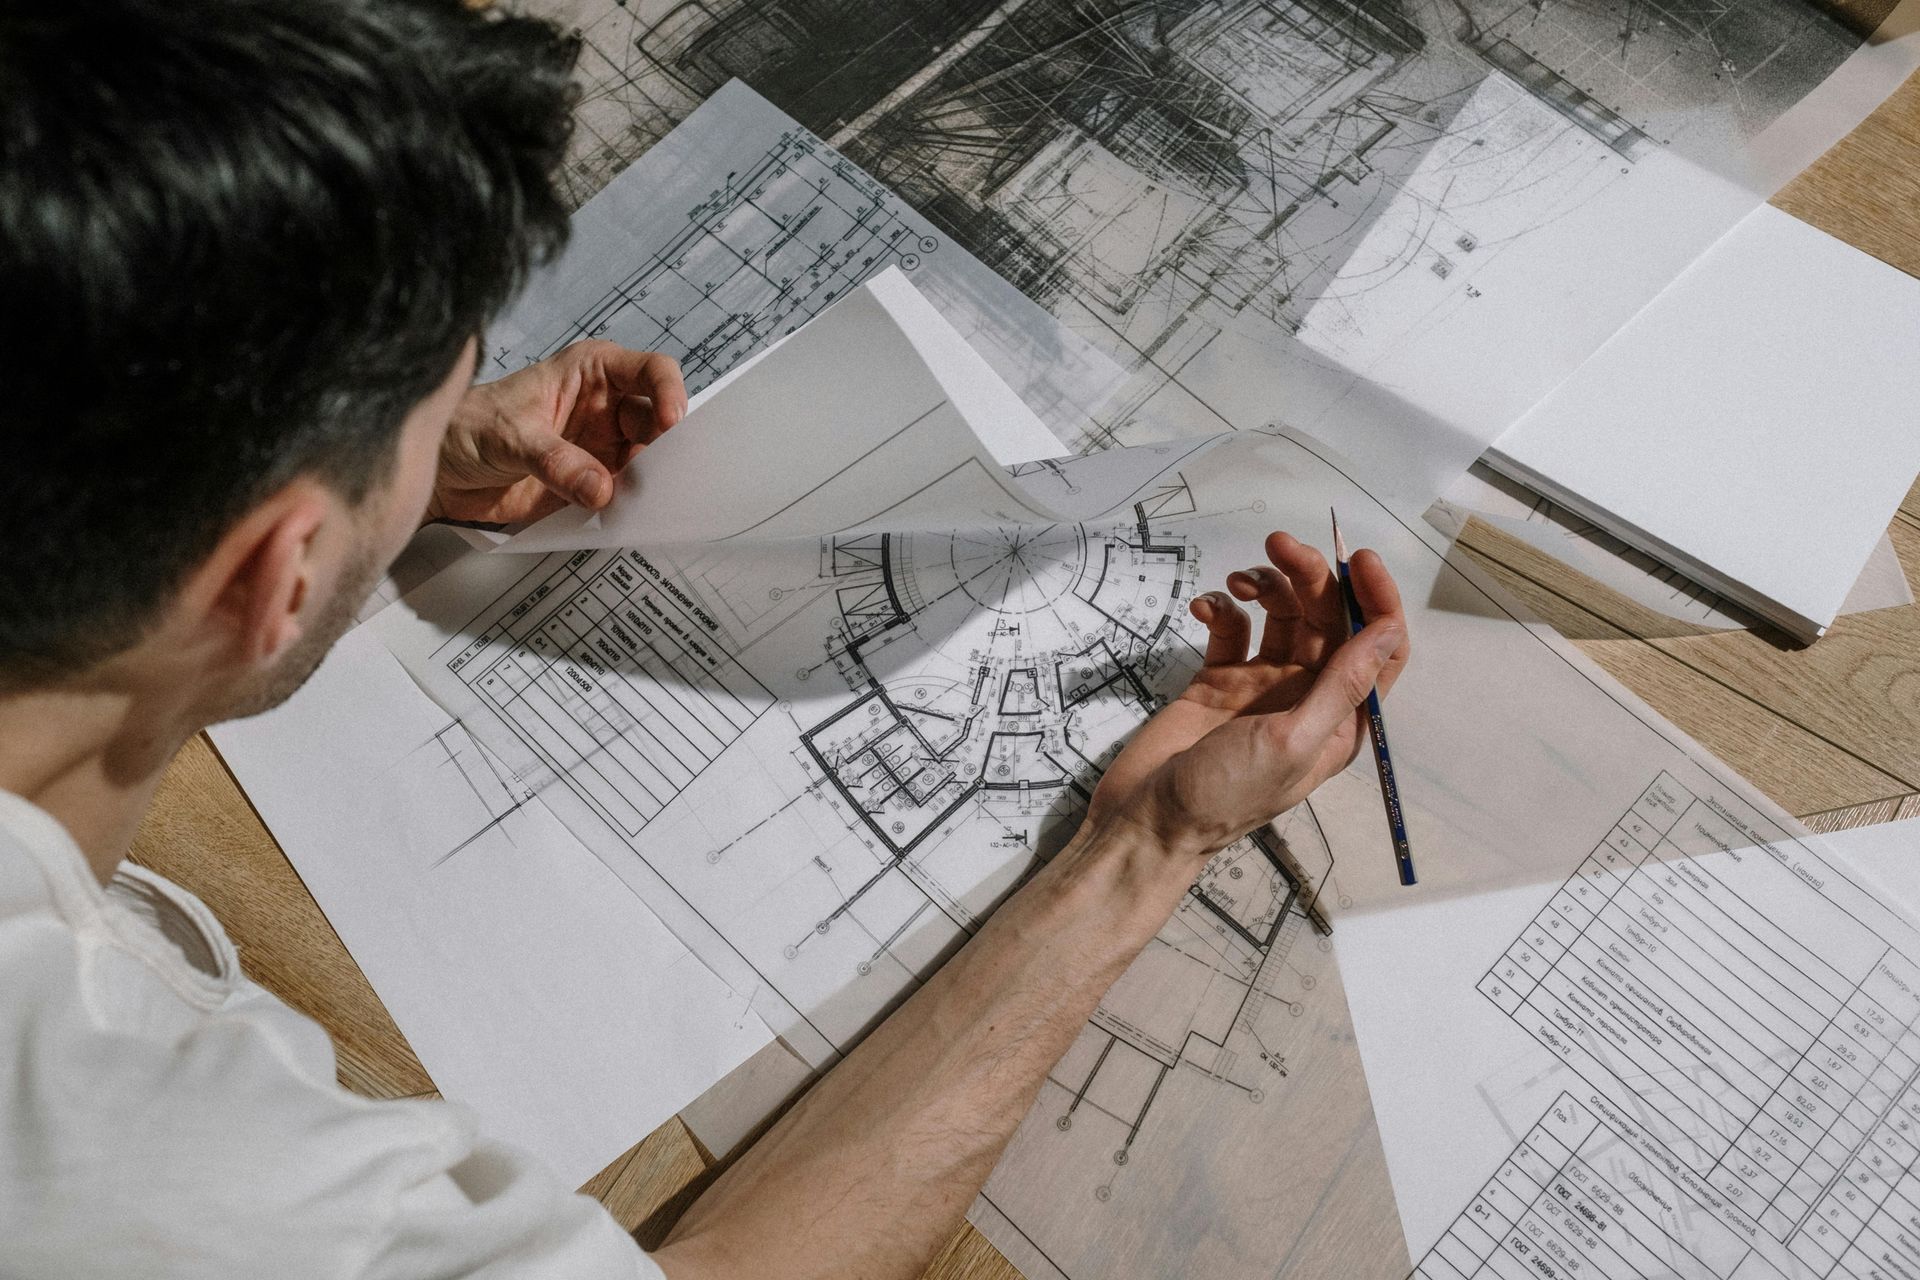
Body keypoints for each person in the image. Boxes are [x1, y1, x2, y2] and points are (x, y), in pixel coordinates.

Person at [0, 1, 1412, 1276]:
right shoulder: (180, 1175)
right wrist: (1145, 845)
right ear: (279, 574)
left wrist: (393, 469)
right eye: (437, 414)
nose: (461, 435)